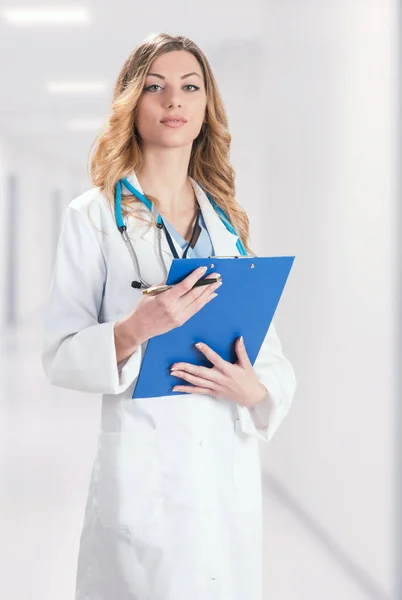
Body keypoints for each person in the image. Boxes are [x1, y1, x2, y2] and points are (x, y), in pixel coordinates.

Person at [42, 32, 297, 600]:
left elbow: (270, 358)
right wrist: (135, 330)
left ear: (207, 108)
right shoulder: (94, 217)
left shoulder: (228, 226)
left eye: (190, 87)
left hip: (224, 479)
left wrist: (255, 390)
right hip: (143, 478)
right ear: (133, 104)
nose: (173, 101)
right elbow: (59, 353)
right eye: (155, 88)